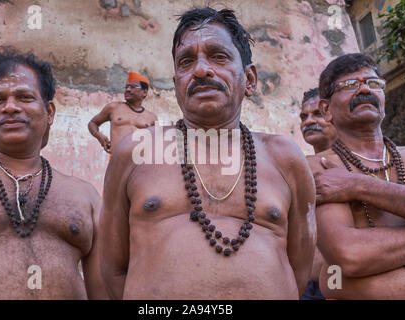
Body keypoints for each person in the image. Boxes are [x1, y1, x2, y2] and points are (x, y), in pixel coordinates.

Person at [99, 7, 316, 299]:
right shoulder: (135, 153)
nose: (201, 70)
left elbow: (299, 266)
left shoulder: (286, 158)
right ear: (176, 85)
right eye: (186, 61)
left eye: (219, 56)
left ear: (249, 79)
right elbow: (113, 270)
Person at [0, 46, 108, 299]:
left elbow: (102, 290)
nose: (10, 107)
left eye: (24, 97)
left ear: (49, 112)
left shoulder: (85, 196)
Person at [308, 53, 405, 299]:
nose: (364, 88)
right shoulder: (318, 166)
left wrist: (357, 185)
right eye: (350, 85)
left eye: (374, 84)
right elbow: (349, 257)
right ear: (326, 109)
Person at [299, 87, 337, 300]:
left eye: (317, 114)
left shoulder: (358, 168)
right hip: (303, 284)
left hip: (341, 280)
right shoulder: (296, 167)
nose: (308, 121)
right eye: (304, 116)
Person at [88, 71, 157, 155]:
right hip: (117, 161)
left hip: (140, 163)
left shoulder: (152, 118)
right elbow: (92, 123)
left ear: (144, 92)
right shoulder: (113, 108)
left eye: (133, 87)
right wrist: (99, 136)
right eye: (126, 87)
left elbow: (158, 142)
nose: (128, 89)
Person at [300, 88, 337, 154]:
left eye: (319, 114)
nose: (308, 121)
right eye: (304, 117)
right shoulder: (302, 163)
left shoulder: (359, 160)